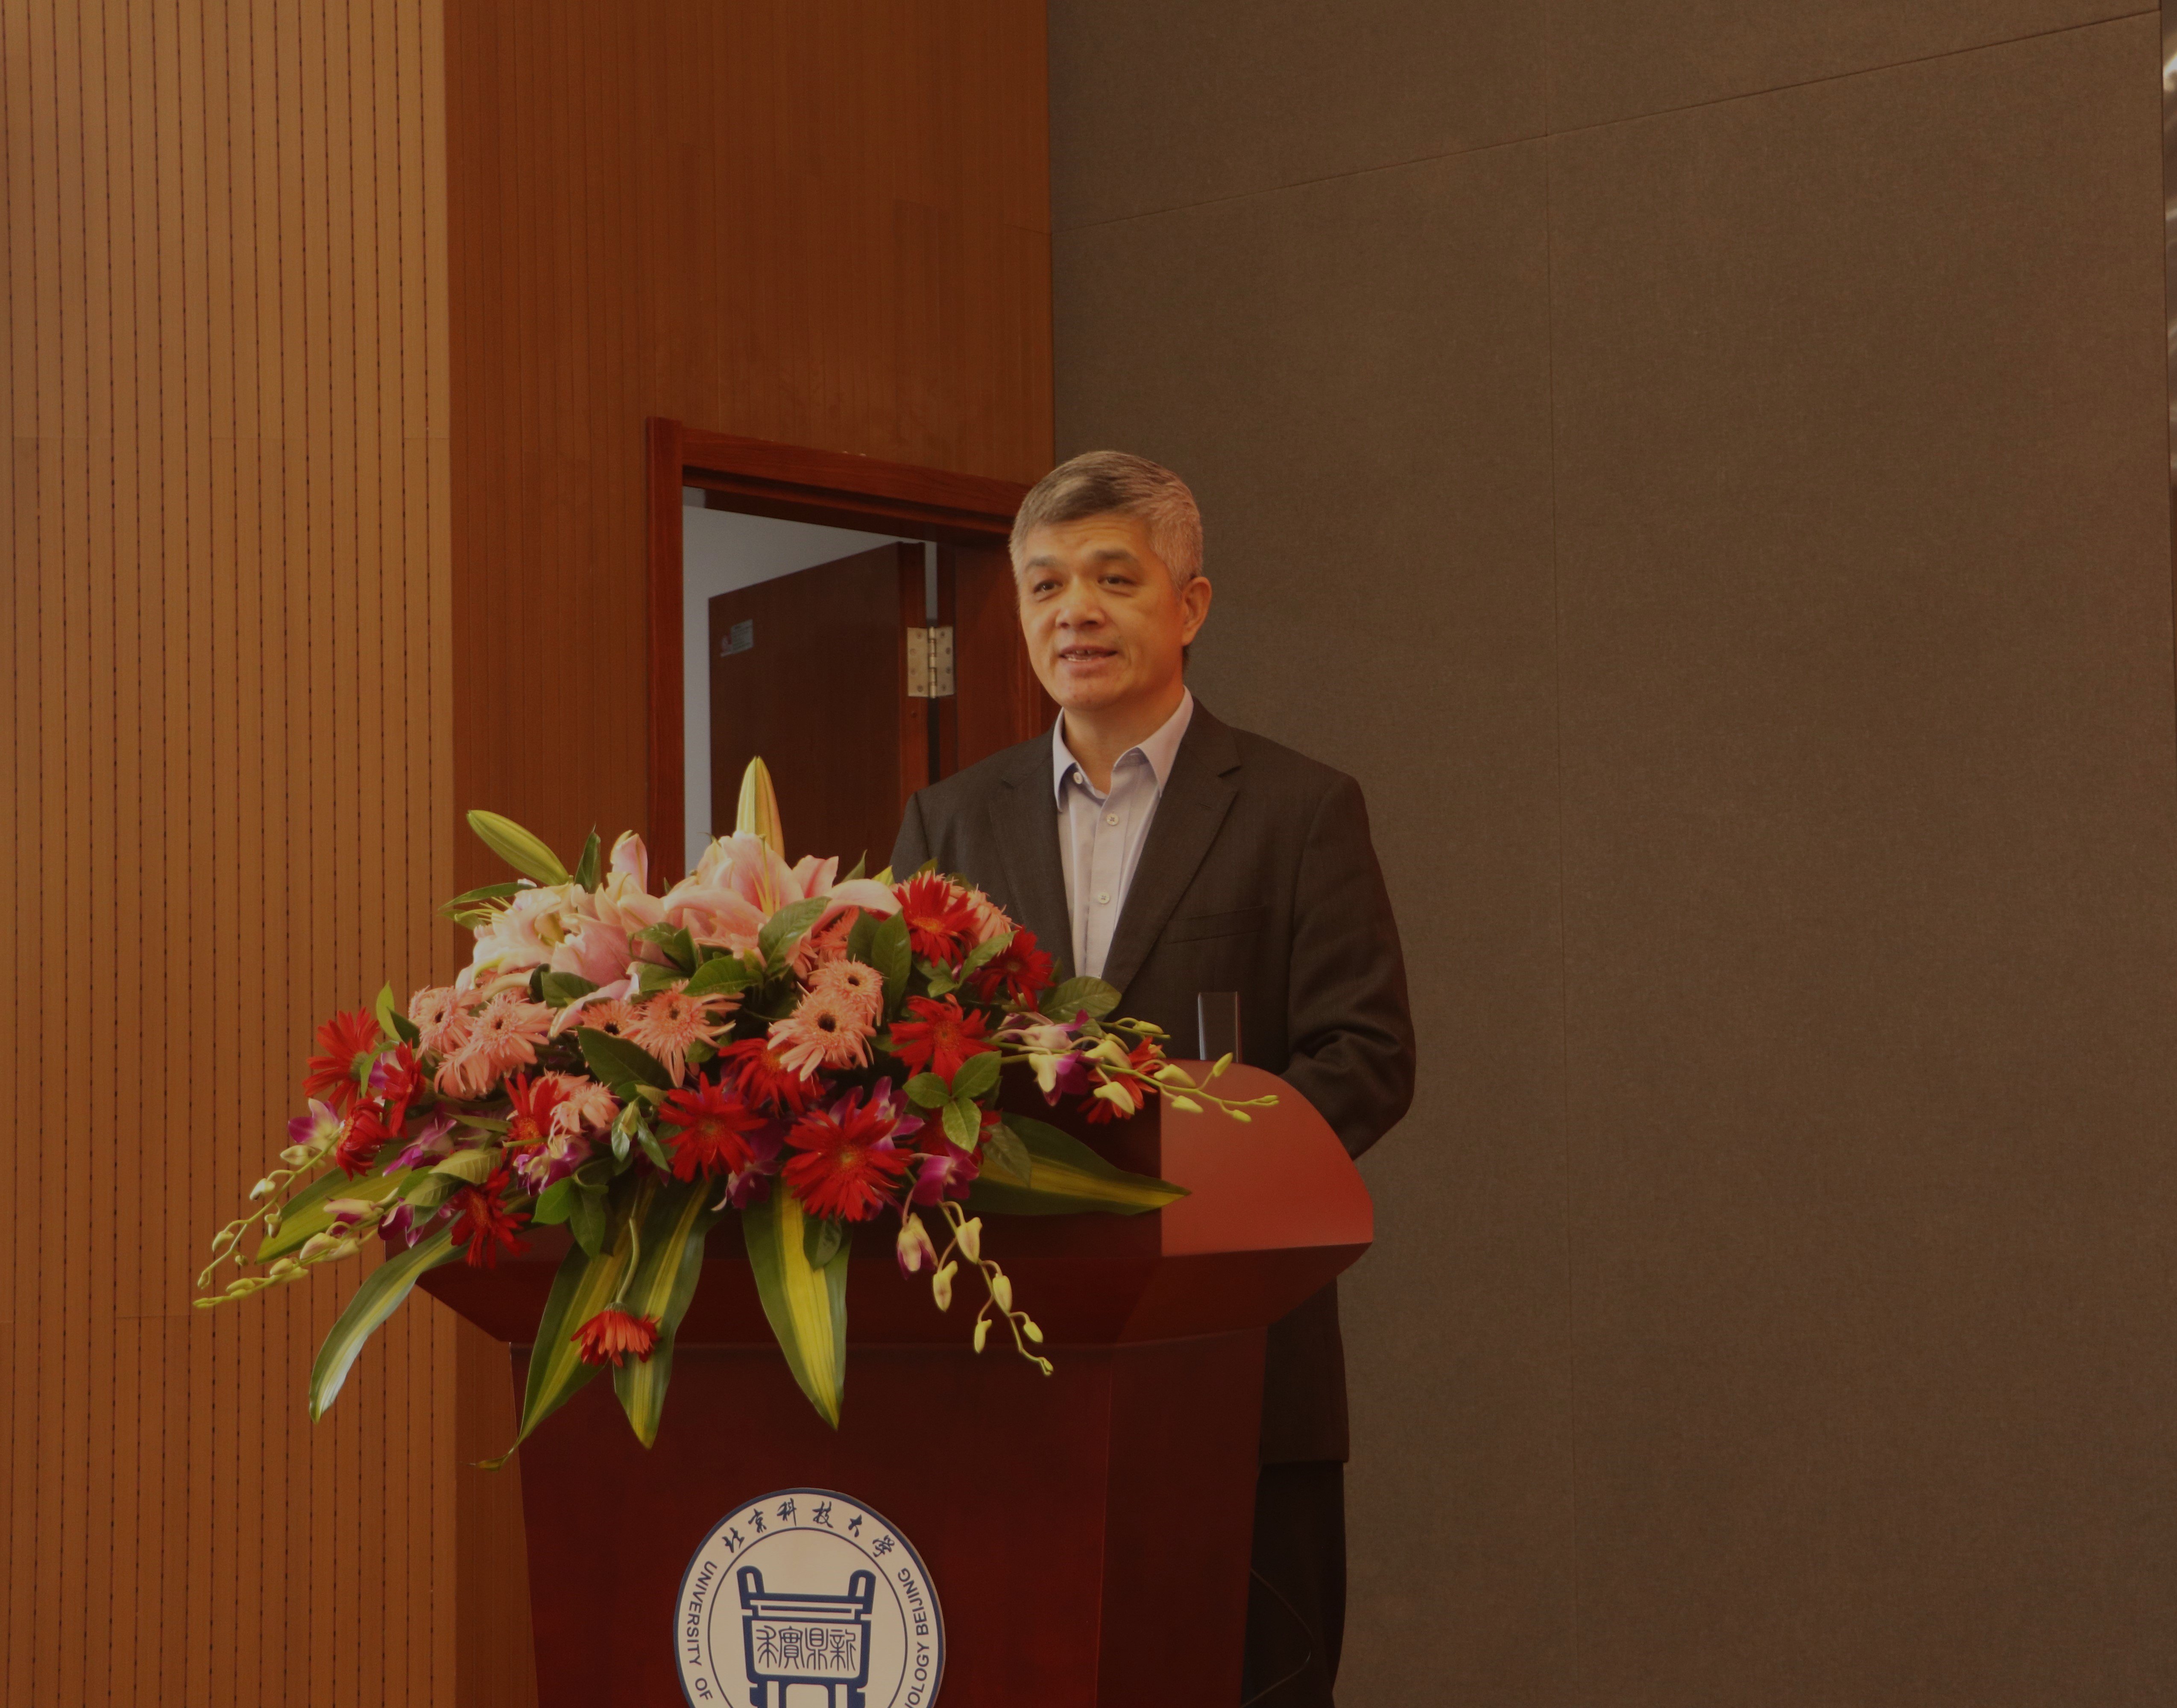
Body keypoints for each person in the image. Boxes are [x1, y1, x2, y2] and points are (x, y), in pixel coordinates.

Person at [890, 450, 1415, 1705]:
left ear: (1190, 604)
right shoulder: (948, 823)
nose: (1074, 611)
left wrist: (1186, 1179)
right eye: (1044, 585)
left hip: (1241, 1363)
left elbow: (1366, 1055)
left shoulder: (1299, 808)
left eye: (1113, 579)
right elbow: (901, 1062)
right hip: (1008, 1367)